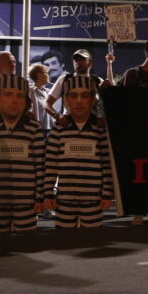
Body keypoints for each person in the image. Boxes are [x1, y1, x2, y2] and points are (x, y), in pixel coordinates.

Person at [43, 76, 114, 229]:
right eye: (74, 95)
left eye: (85, 95)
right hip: (65, 199)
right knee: (64, 238)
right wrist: (48, 193)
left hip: (93, 199)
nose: (79, 101)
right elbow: (51, 164)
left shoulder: (99, 129)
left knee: (92, 237)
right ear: (67, 99)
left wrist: (107, 193)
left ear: (92, 99)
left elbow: (106, 164)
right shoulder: (59, 129)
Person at [0, 75, 45, 233]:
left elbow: (41, 165)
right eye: (8, 95)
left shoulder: (34, 128)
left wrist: (39, 197)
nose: (14, 101)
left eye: (20, 96)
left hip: (26, 202)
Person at [45, 49, 109, 123]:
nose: (78, 62)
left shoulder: (97, 81)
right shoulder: (64, 79)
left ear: (90, 63)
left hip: (91, 126)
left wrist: (103, 118)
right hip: (69, 125)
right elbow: (47, 103)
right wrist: (57, 116)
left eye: (82, 59)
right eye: (76, 60)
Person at [27, 63, 54, 130]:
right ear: (39, 75)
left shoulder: (47, 92)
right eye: (46, 73)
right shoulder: (30, 92)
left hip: (50, 130)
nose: (49, 76)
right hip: (37, 130)